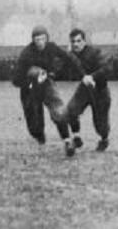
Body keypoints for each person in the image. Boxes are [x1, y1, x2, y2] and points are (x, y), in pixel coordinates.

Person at [12, 26, 80, 155]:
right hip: (29, 88)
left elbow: (68, 58)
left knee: (58, 110)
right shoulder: (26, 54)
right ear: (33, 40)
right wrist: (31, 81)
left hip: (46, 83)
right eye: (37, 39)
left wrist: (79, 72)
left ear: (47, 38)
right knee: (34, 123)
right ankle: (40, 137)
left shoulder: (52, 47)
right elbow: (16, 79)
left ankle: (67, 140)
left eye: (43, 39)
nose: (40, 42)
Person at [63, 29, 112, 153]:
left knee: (101, 124)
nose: (76, 44)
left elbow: (106, 68)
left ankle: (104, 139)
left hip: (100, 90)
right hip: (84, 90)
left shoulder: (94, 53)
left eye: (79, 41)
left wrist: (92, 76)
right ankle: (77, 137)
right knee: (71, 110)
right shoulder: (71, 56)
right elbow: (61, 70)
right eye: (73, 41)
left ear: (84, 41)